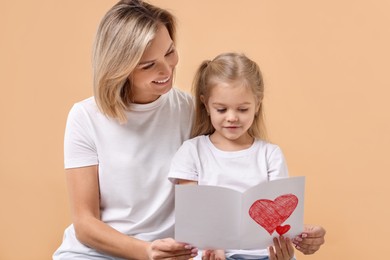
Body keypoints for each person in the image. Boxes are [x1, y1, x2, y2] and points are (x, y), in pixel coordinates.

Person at [53, 0, 325, 259]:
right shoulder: (85, 117)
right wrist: (146, 251)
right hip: (96, 253)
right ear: (119, 69)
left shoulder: (190, 108)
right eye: (149, 65)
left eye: (169, 52)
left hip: (174, 254)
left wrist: (293, 236)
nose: (167, 69)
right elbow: (85, 223)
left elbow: (231, 178)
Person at [168, 53, 324, 260]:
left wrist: (302, 235)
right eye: (221, 109)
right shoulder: (192, 152)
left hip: (265, 254)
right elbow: (194, 216)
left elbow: (281, 216)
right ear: (206, 105)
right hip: (212, 254)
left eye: (242, 109)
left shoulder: (270, 154)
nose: (232, 117)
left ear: (257, 104)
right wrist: (215, 246)